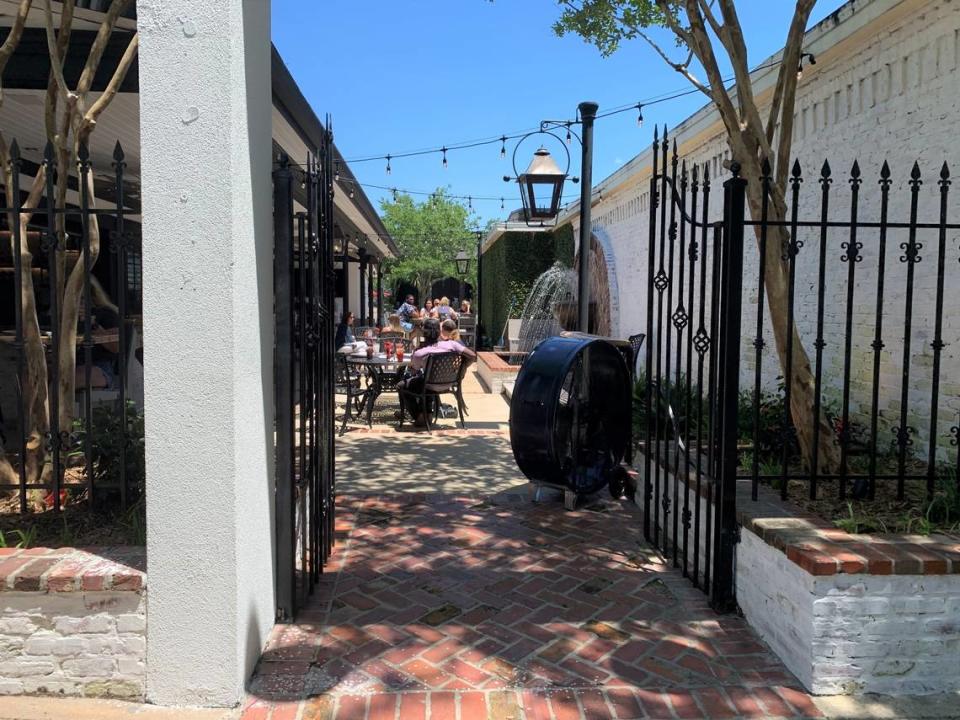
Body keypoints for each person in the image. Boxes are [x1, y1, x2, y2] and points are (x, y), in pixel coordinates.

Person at [397, 318, 475, 426]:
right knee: (423, 380)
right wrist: (461, 370)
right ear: (439, 331)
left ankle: (419, 416)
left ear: (424, 333)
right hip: (450, 382)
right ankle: (427, 414)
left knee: (403, 385)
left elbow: (414, 371)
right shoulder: (453, 344)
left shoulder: (420, 352)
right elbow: (472, 356)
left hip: (429, 384)